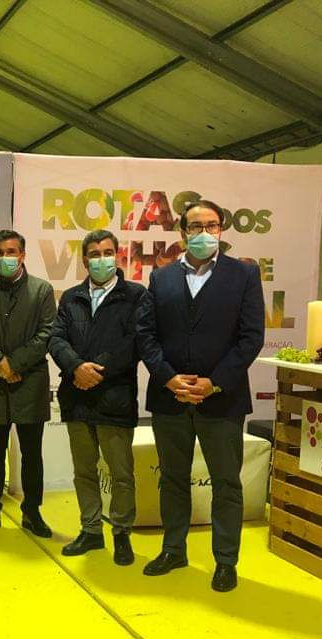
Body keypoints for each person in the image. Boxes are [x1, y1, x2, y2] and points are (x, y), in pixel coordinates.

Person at [136, 200, 265, 592]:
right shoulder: (161, 278)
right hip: (170, 399)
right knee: (172, 479)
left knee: (226, 482)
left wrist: (214, 382)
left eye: (211, 225)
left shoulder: (244, 274)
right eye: (196, 226)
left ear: (221, 230)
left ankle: (225, 561)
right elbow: (146, 335)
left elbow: (251, 338)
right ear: (182, 232)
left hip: (222, 400)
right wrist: (168, 378)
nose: (204, 233)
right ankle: (173, 550)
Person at [48, 229, 146, 565]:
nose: (101, 259)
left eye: (107, 252)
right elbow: (56, 338)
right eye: (94, 253)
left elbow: (134, 342)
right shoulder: (71, 297)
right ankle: (90, 530)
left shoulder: (135, 296)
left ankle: (121, 532)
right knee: (84, 471)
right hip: (76, 399)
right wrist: (76, 367)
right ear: (85, 259)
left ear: (117, 256)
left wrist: (96, 371)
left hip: (114, 398)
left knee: (121, 474)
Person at [0, 229, 55, 538]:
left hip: (29, 383)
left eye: (11, 252)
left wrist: (14, 364)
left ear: (22, 255)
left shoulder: (42, 290)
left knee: (32, 454)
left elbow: (46, 334)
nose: (6, 257)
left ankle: (32, 512)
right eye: (0, 252)